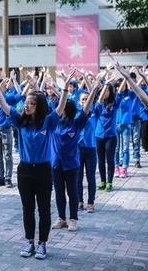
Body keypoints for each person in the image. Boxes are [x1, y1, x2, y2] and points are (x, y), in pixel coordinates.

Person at [0, 69, 74, 260]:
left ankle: (43, 243)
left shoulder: (49, 122)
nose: (26, 105)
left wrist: (65, 88)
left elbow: (60, 107)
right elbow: (4, 106)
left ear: (39, 106)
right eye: (25, 102)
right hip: (25, 170)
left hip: (43, 170)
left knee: (43, 208)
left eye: (31, 103)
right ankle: (29, 241)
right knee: (27, 208)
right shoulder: (20, 121)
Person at [51, 76, 97, 232]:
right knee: (59, 192)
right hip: (56, 163)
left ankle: (73, 220)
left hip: (71, 164)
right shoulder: (54, 123)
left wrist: (93, 90)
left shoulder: (77, 123)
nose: (58, 110)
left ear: (68, 110)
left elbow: (86, 109)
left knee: (72, 192)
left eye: (62, 108)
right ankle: (61, 218)